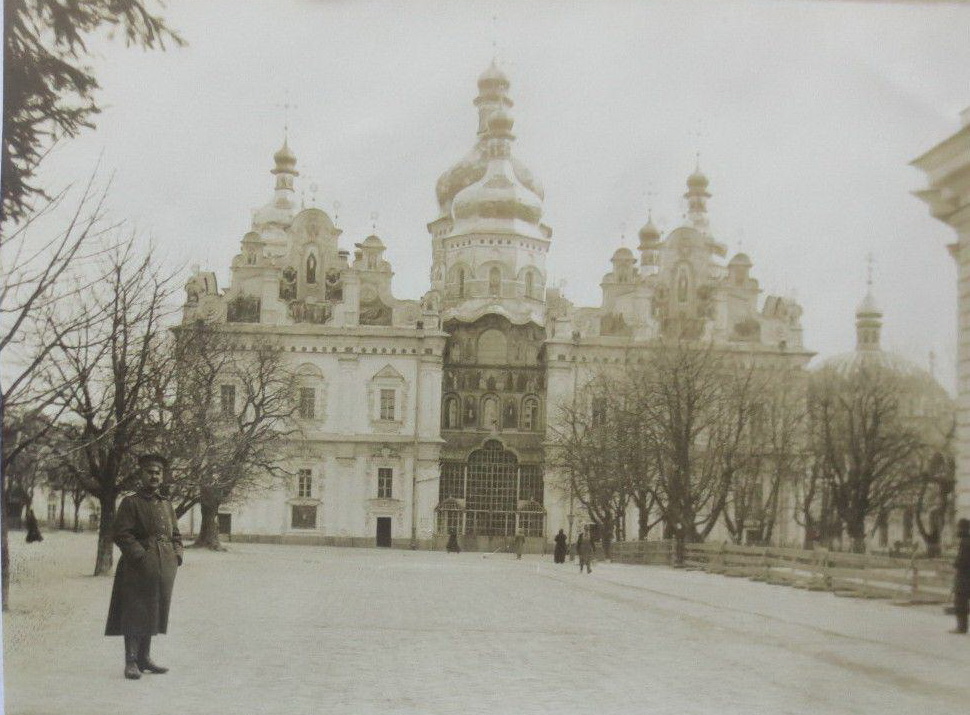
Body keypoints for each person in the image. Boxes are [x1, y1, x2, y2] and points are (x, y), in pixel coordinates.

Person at [104, 454, 183, 680]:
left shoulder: (166, 504)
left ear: (163, 475)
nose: (154, 475)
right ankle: (130, 661)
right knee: (135, 611)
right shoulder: (131, 502)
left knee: (154, 610)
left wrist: (177, 555)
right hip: (136, 568)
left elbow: (176, 534)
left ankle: (144, 658)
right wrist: (141, 556)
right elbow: (121, 534)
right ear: (141, 474)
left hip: (163, 567)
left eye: (158, 471)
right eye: (150, 471)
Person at [952, 518, 970, 634]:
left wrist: (955, 563)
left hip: (964, 578)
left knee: (960, 602)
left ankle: (961, 627)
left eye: (959, 527)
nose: (957, 530)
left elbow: (962, 561)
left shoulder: (965, 542)